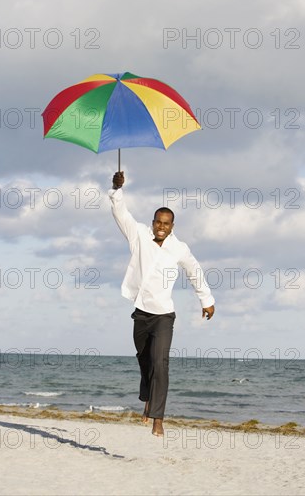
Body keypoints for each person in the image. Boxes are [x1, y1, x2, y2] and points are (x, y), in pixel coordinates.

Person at [109, 171, 215, 436]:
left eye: (166, 223)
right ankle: (147, 399)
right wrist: (116, 188)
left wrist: (206, 300)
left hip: (164, 316)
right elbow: (121, 213)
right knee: (144, 361)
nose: (161, 226)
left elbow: (195, 271)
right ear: (153, 221)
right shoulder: (140, 236)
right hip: (141, 314)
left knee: (160, 362)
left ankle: (158, 418)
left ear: (172, 226)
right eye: (158, 221)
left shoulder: (179, 248)